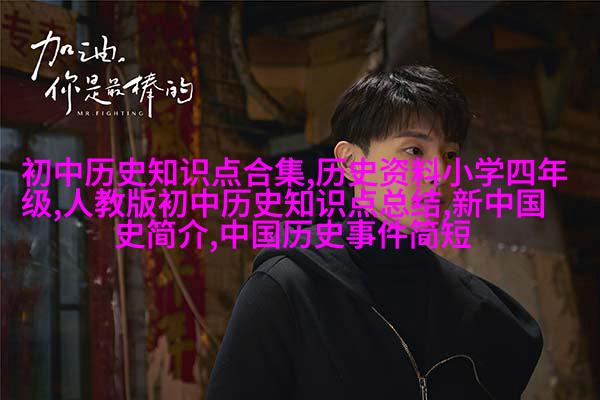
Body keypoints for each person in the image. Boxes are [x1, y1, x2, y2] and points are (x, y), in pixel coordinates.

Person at [205, 65, 543, 400]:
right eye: (414, 150)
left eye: (450, 154)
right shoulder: (288, 288)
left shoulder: (483, 315)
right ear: (351, 162)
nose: (439, 173)